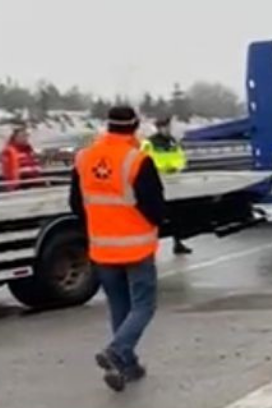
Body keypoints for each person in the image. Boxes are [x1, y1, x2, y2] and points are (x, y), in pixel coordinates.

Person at [69, 106, 165, 392]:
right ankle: (117, 350)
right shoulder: (137, 160)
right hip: (135, 247)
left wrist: (100, 224)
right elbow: (155, 207)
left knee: (119, 305)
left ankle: (128, 364)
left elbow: (76, 203)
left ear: (107, 126)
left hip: (102, 248)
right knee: (144, 305)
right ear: (135, 127)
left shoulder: (84, 158)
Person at [142, 117, 193, 255]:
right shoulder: (149, 143)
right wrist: (163, 168)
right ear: (158, 128)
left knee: (177, 214)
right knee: (157, 214)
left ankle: (178, 243)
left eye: (168, 127)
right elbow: (144, 160)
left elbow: (180, 157)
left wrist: (176, 167)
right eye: (164, 127)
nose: (167, 130)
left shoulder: (172, 141)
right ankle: (151, 247)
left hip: (174, 180)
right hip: (158, 180)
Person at [0, 126, 42, 190]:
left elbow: (36, 165)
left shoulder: (29, 150)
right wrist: (13, 185)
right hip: (20, 185)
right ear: (15, 138)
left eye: (26, 136)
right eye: (22, 136)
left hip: (34, 182)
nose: (25, 138)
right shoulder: (9, 151)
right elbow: (8, 171)